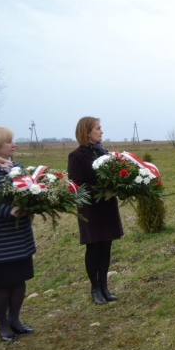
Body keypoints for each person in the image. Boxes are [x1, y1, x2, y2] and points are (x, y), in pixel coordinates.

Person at [0, 127, 37, 342]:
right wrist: (8, 211)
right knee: (3, 283)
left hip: (20, 234)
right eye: (8, 141)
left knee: (19, 279)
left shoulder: (18, 168)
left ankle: (15, 320)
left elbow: (29, 192)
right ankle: (3, 325)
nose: (13, 144)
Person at [68, 117, 124, 305]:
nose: (101, 131)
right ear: (86, 132)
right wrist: (102, 189)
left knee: (106, 247)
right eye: (98, 128)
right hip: (90, 209)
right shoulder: (76, 156)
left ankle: (105, 287)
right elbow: (77, 185)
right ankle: (95, 288)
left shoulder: (104, 153)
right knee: (93, 248)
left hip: (107, 206)